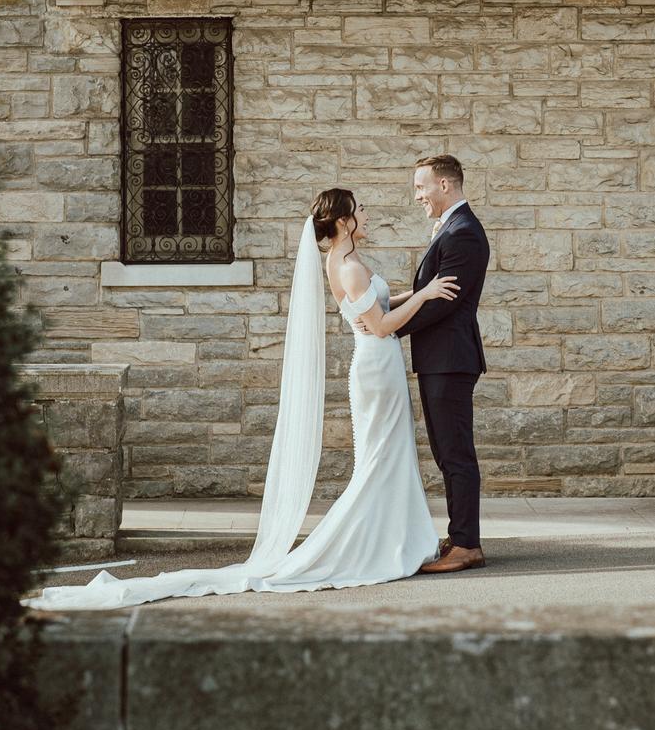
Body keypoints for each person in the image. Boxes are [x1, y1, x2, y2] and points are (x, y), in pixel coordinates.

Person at [30, 188, 453, 610]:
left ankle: (398, 537)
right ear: (344, 220)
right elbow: (379, 327)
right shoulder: (349, 266)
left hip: (379, 367)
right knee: (381, 457)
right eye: (361, 208)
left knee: (389, 453)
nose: (367, 212)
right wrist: (425, 294)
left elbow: (375, 308)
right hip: (377, 366)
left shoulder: (342, 261)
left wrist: (412, 296)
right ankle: (377, 544)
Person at [403, 154, 491, 573]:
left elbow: (443, 302)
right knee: (446, 450)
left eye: (421, 187)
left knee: (456, 453)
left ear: (444, 185)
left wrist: (387, 328)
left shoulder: (464, 234)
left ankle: (467, 545)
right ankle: (459, 534)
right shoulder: (452, 229)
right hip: (440, 358)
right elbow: (427, 294)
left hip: (450, 359)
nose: (417, 195)